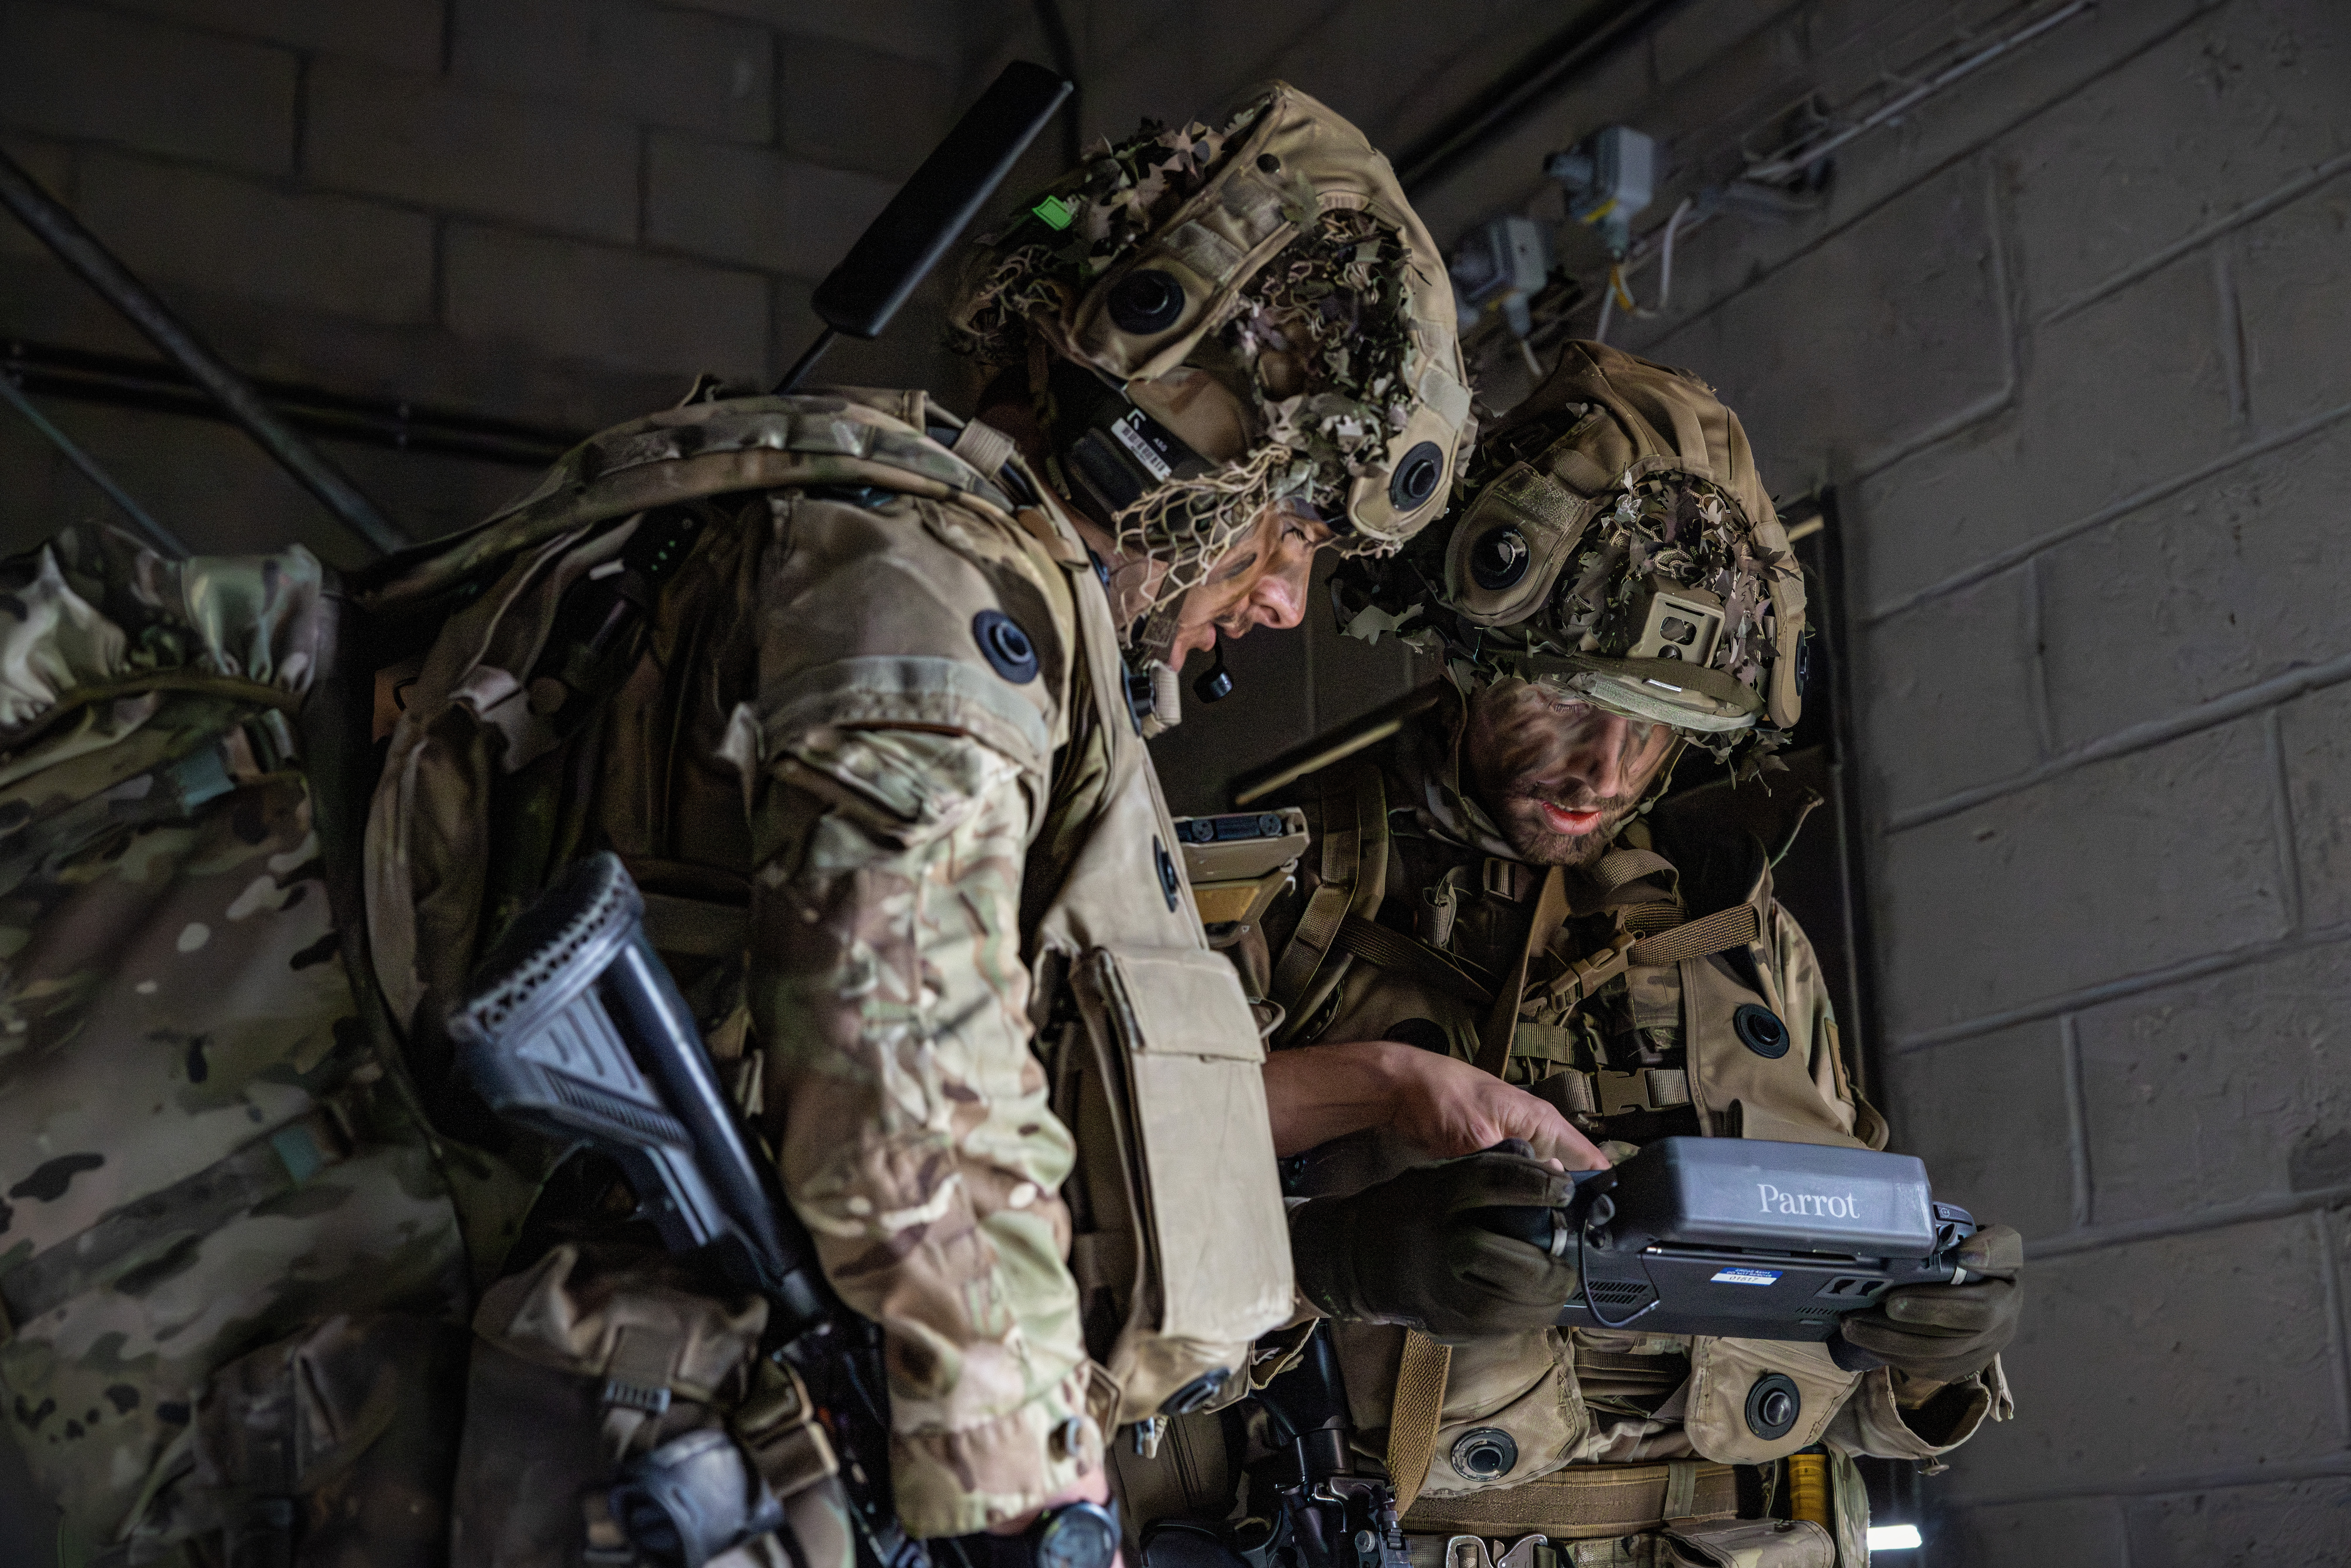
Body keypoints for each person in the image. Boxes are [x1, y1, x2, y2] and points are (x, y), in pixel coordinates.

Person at [351, 81, 1475, 1568]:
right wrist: (1028, 1486)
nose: (1284, 599)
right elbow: (898, 1035)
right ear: (1200, 442)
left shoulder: (904, 543)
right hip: (675, 1437)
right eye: (1299, 527)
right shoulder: (937, 577)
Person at [1224, 341, 2020, 1567]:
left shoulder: (1743, 935)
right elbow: (1085, 1263)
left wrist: (1922, 1357)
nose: (1606, 769)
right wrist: (1342, 1259)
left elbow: (1841, 1387)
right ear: (1469, 660)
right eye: (1569, 699)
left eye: (1659, 726)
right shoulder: (1287, 888)